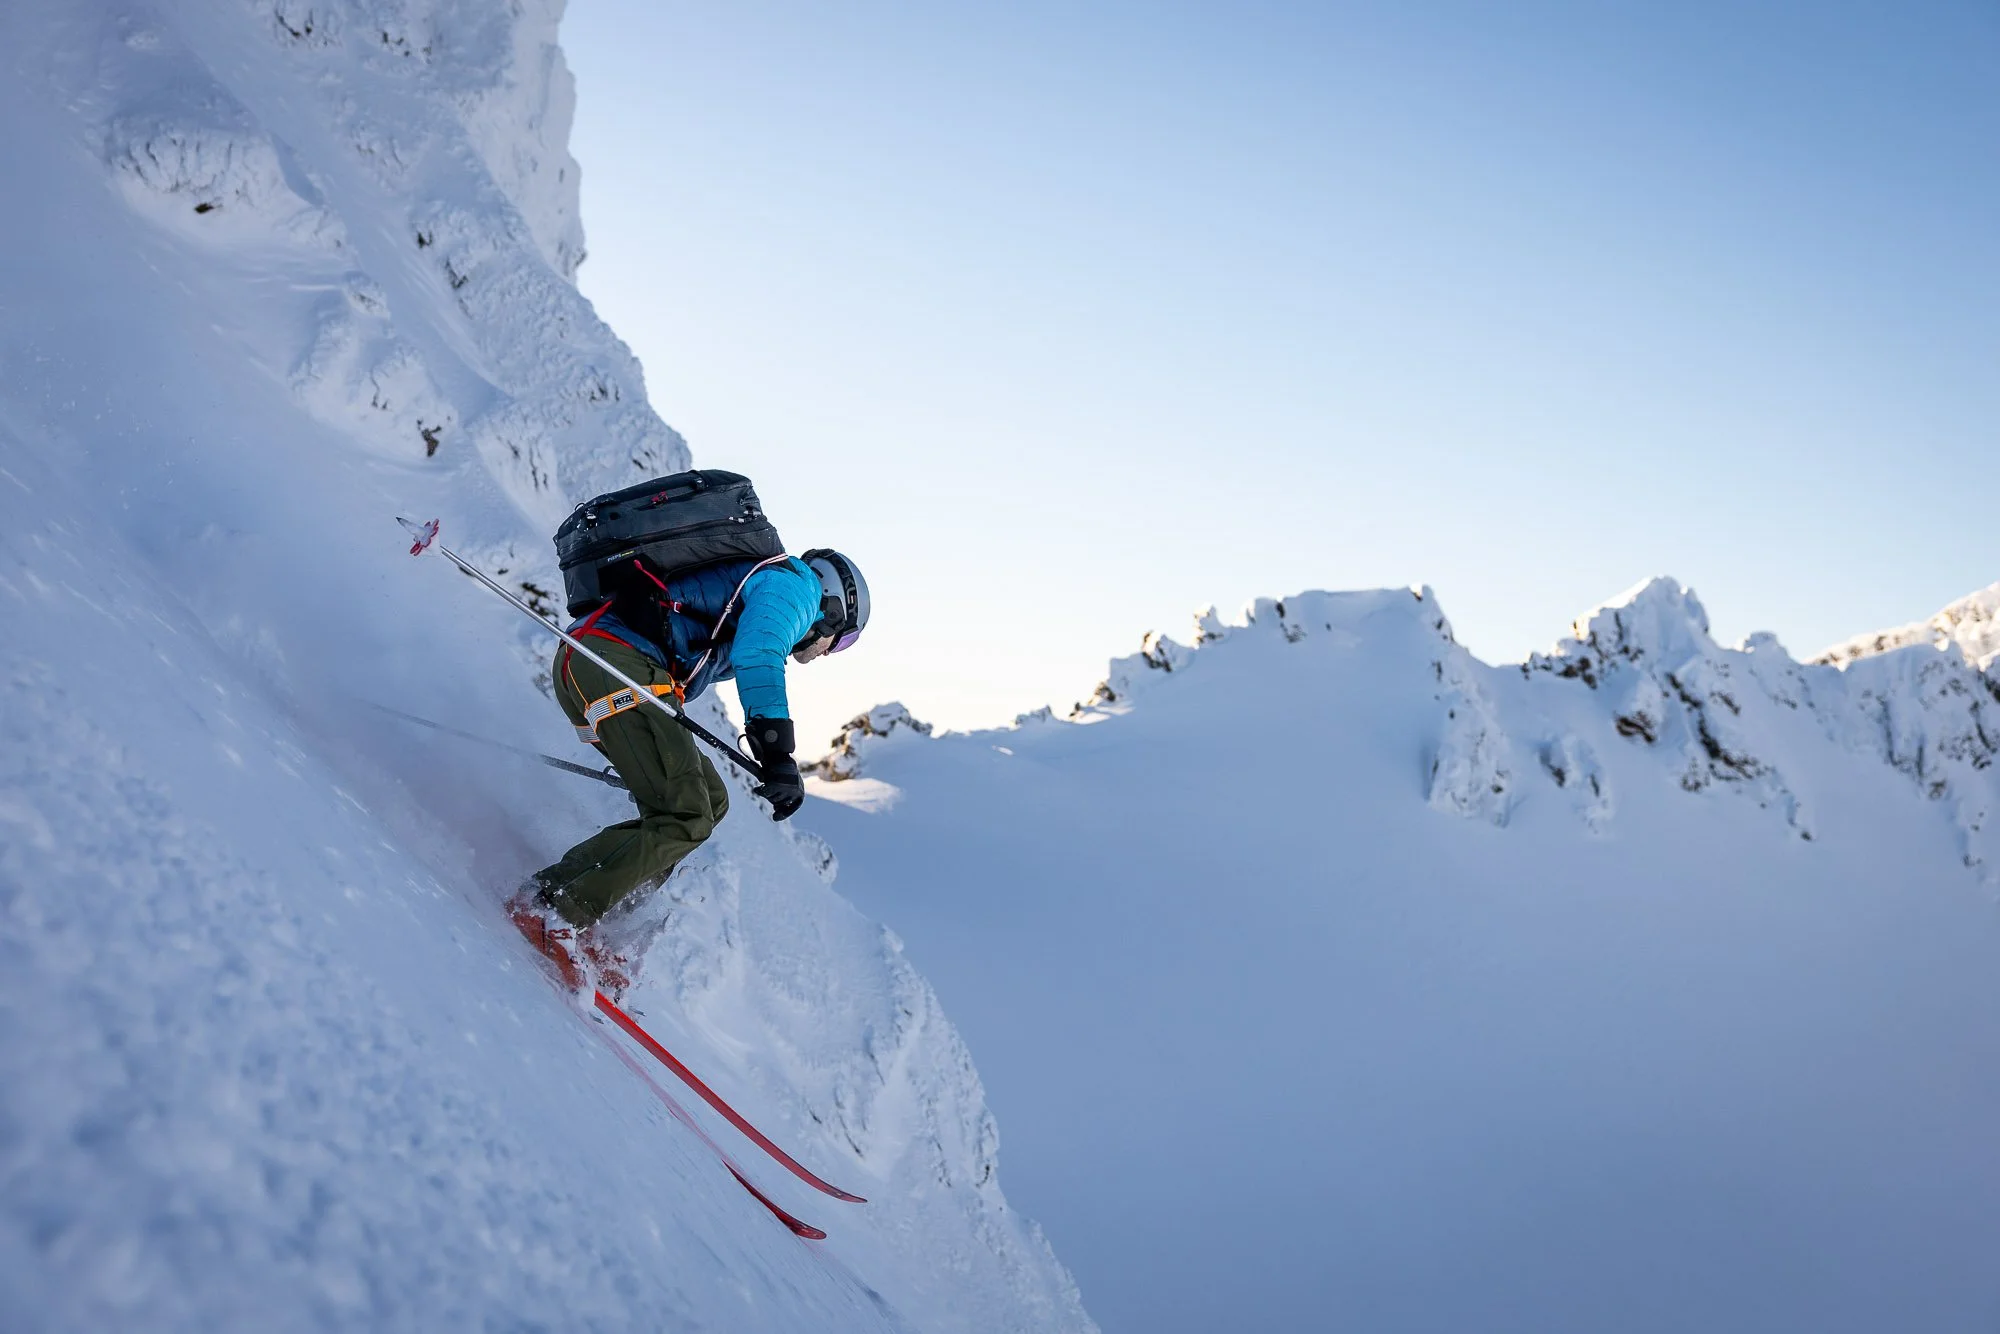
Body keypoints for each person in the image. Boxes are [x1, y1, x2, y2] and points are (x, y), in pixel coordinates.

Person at [509, 547, 869, 989]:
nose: (834, 651)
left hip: (600, 664)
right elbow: (760, 653)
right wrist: (777, 755)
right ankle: (556, 909)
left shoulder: (768, 585)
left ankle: (579, 911)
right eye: (846, 639)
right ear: (834, 607)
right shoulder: (796, 587)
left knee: (709, 801)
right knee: (685, 814)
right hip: (617, 663)